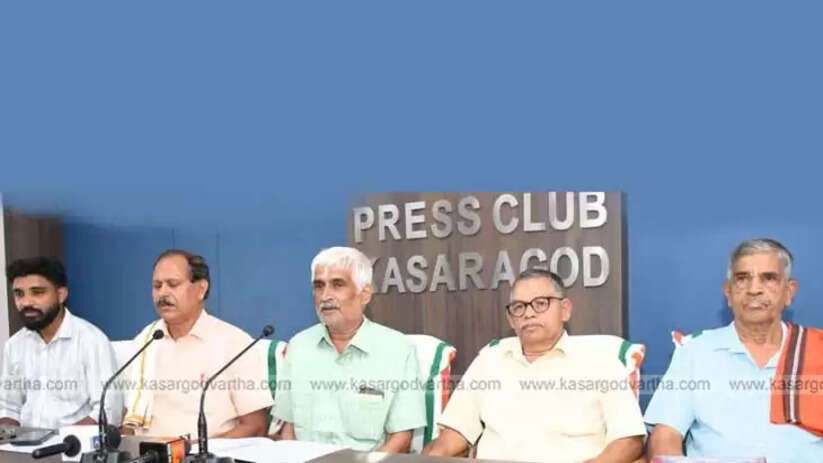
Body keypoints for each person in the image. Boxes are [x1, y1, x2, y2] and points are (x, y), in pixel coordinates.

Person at [423, 268, 645, 463]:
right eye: (518, 307)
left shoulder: (600, 362)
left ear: (565, 310)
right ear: (511, 320)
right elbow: (455, 434)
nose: (528, 313)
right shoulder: (490, 359)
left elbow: (629, 440)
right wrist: (433, 456)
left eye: (540, 304)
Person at [645, 238, 823, 461]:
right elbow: (666, 435)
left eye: (768, 278)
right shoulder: (696, 353)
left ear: (789, 291)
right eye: (742, 279)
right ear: (728, 292)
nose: (754, 289)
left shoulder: (817, 349)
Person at [273, 246, 425, 452]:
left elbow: (401, 436)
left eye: (338, 285)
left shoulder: (398, 349)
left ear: (365, 294)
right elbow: (288, 429)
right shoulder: (299, 346)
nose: (325, 296)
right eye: (319, 286)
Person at [122, 250, 272, 437]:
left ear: (201, 289)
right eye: (157, 286)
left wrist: (195, 453)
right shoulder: (145, 342)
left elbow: (255, 426)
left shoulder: (235, 344)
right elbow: (129, 419)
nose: (163, 293)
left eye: (173, 284)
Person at [0, 256, 121, 429]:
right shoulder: (14, 345)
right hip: (24, 448)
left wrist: (60, 441)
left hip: (72, 449)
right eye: (19, 294)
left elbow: (109, 411)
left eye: (37, 292)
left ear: (61, 295)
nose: (26, 302)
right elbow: (7, 408)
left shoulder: (91, 340)